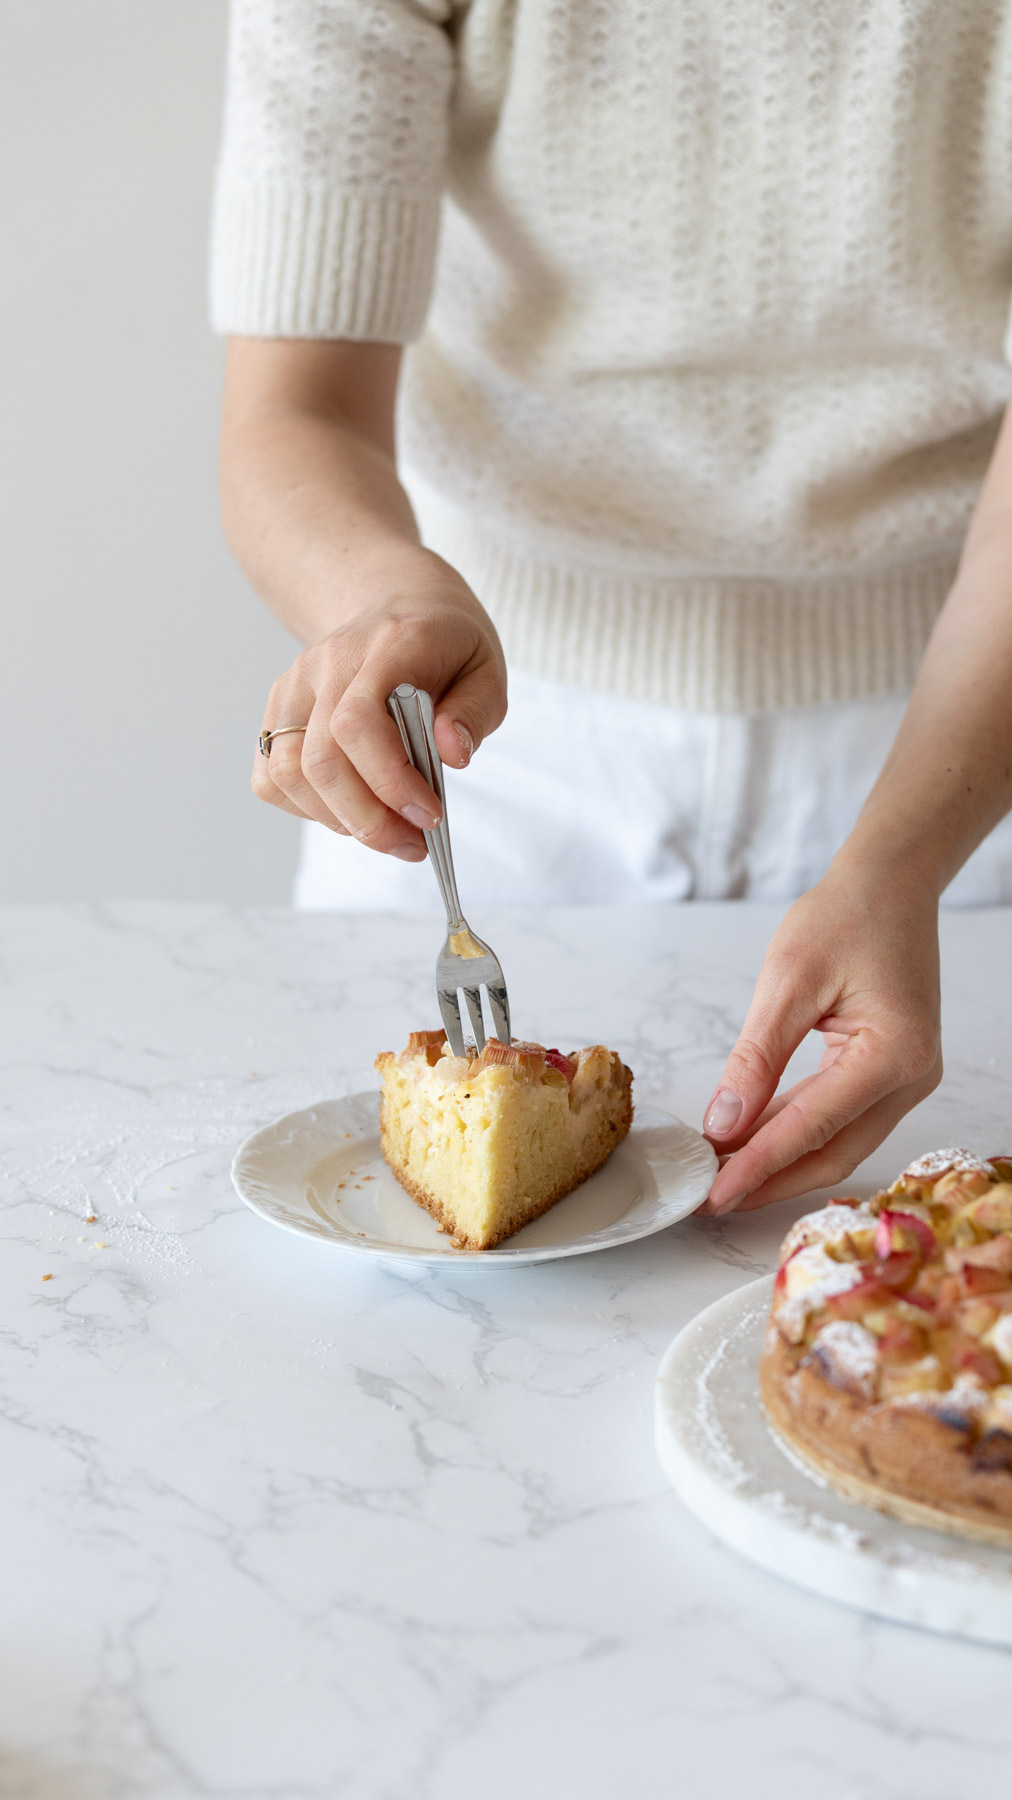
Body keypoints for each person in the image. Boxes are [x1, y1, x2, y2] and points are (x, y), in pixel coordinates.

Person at [212, 1, 1012, 1219]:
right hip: (489, 766)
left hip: (954, 738)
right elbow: (294, 409)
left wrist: (902, 862)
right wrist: (383, 596)